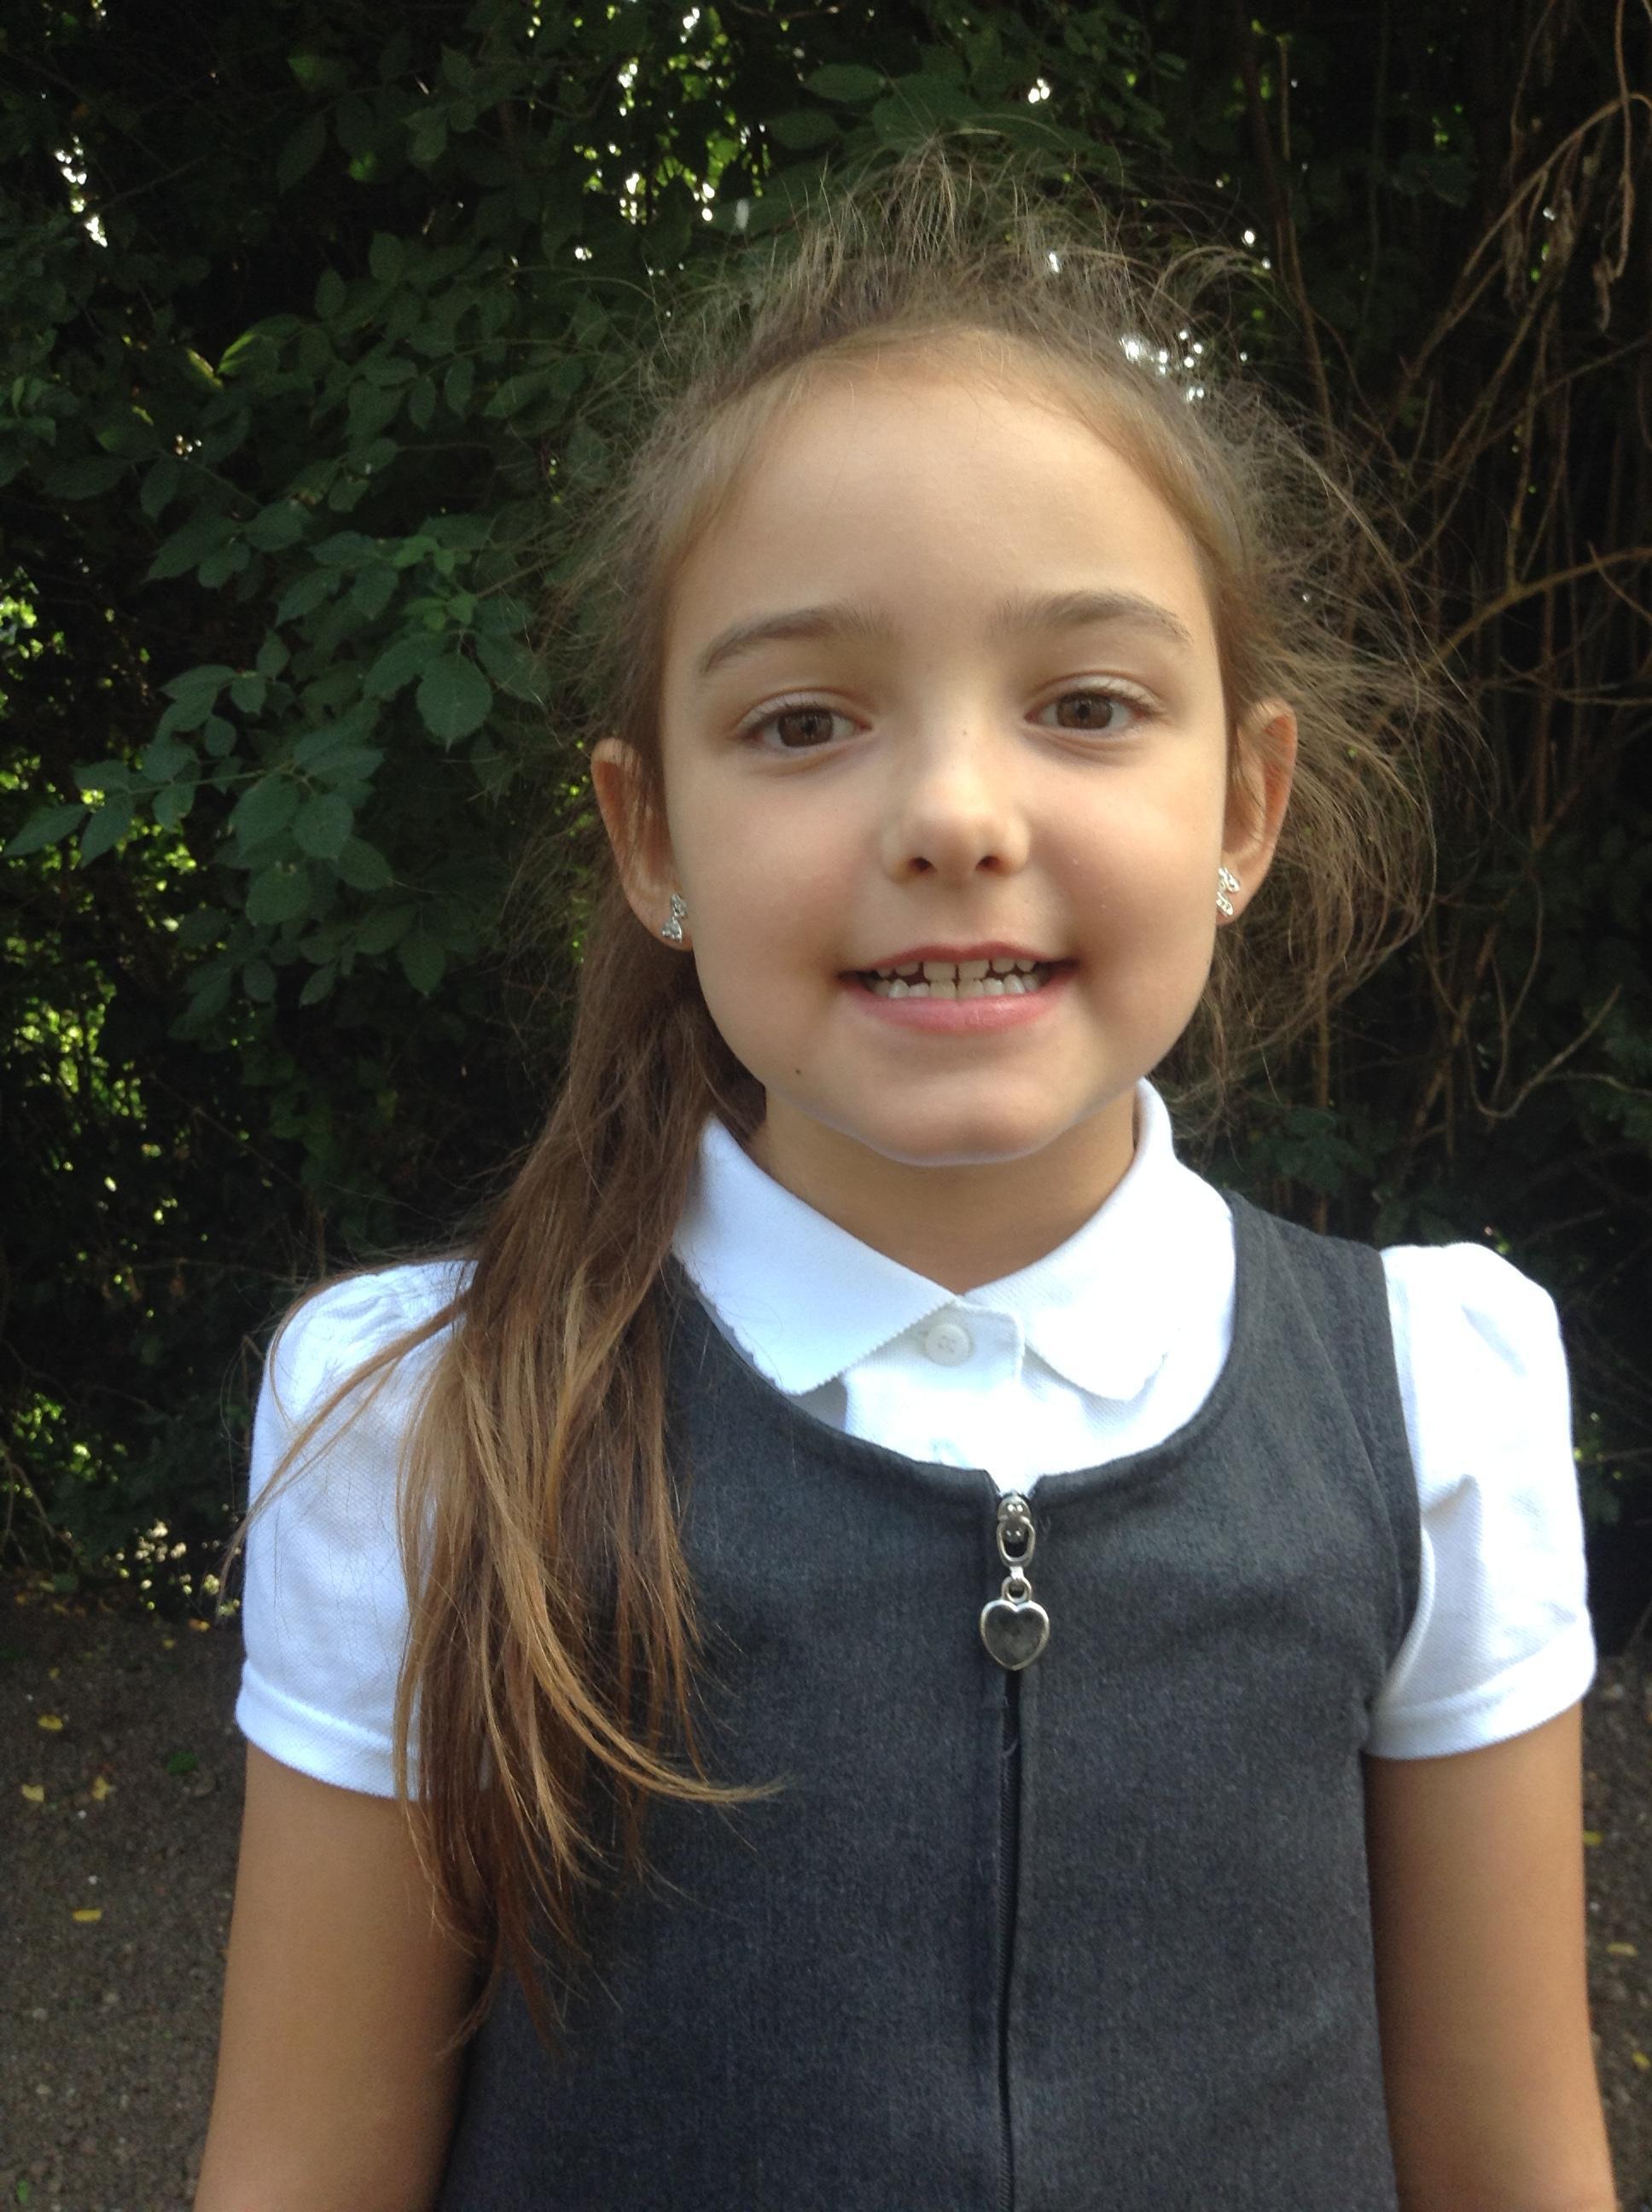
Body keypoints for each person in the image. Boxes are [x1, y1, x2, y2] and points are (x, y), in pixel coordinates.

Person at [194, 140, 1618, 2212]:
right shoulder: (427, 1425)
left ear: (1243, 804)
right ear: (648, 837)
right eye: (802, 724)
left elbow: (1509, 2162)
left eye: (1085, 705)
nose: (954, 811)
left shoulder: (1431, 1403)